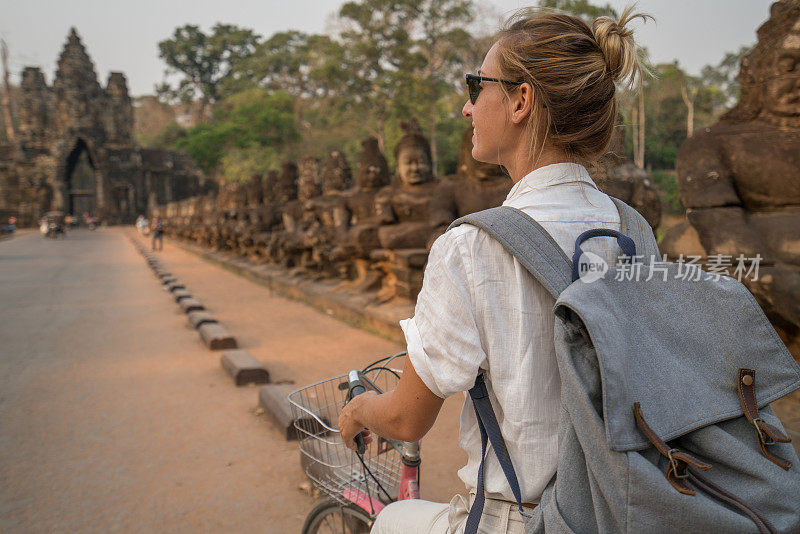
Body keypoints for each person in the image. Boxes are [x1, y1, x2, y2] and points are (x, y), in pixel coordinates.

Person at [338, 6, 649, 533]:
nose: (466, 107)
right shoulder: (634, 230)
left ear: (521, 101)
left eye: (476, 86)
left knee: (393, 519)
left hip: (524, 521)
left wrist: (359, 411)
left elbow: (407, 419)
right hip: (624, 510)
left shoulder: (470, 246)